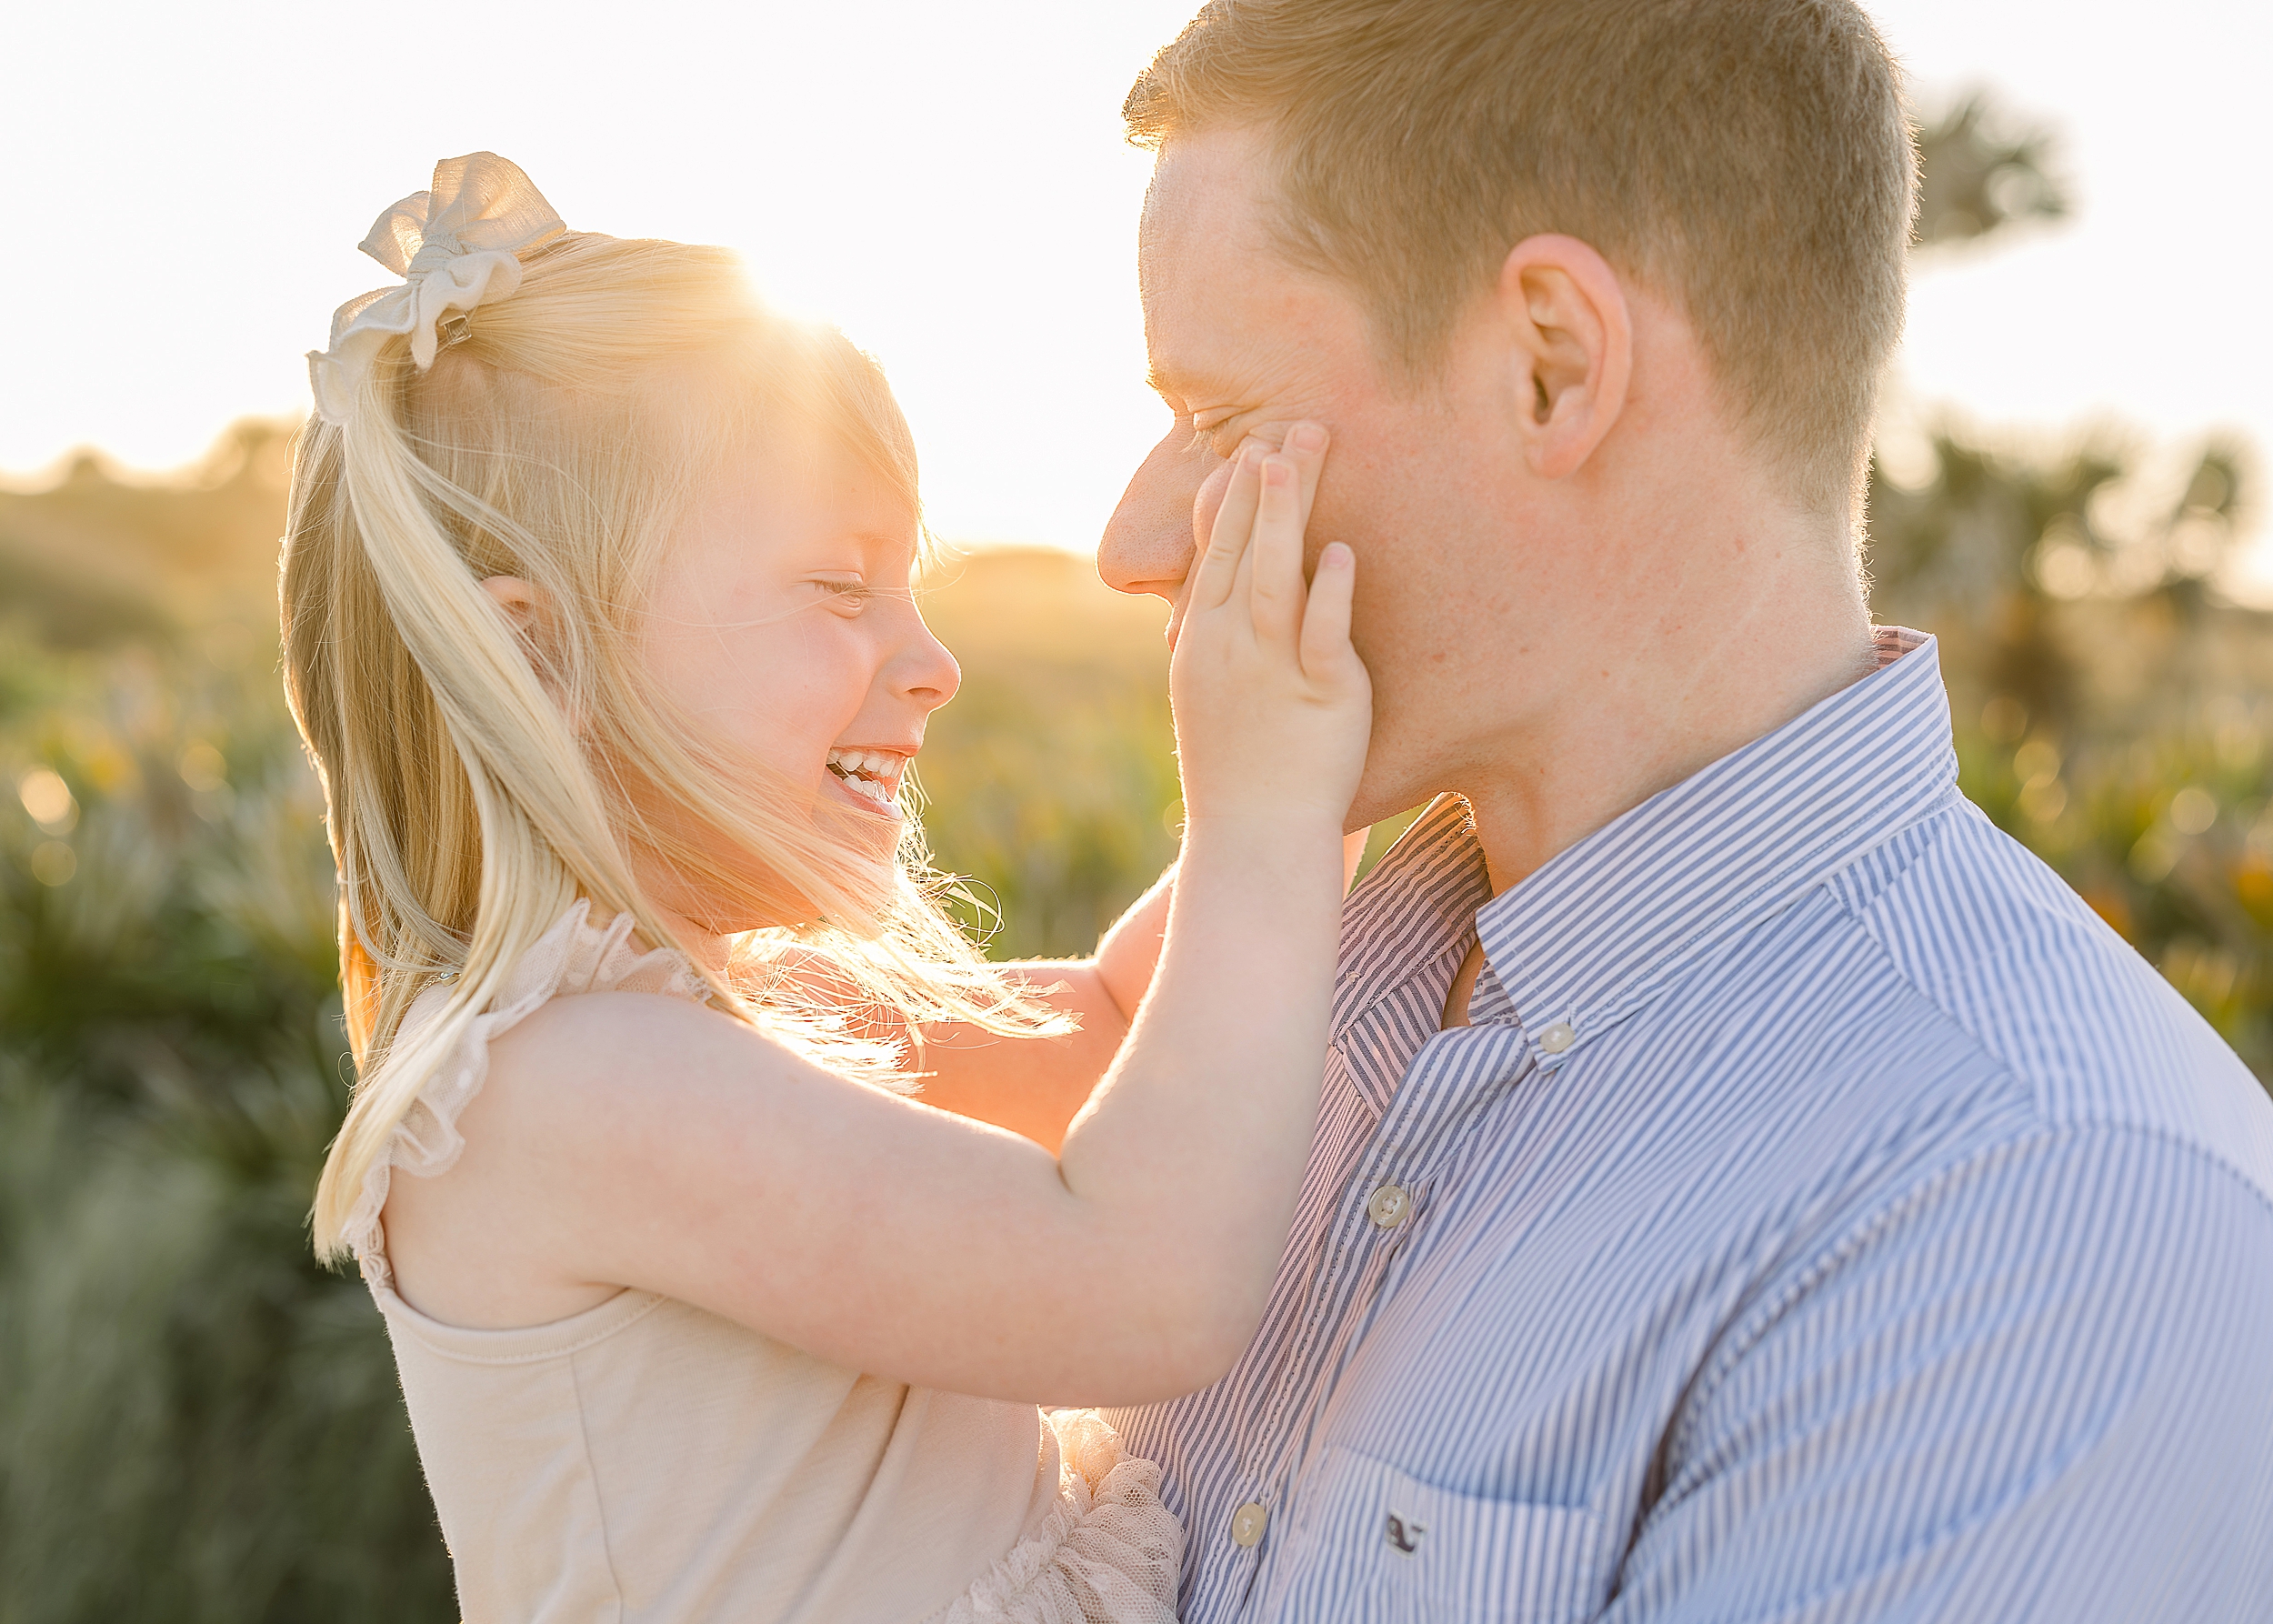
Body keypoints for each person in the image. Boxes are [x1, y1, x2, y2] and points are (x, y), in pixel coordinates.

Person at [1092, 2, 2273, 1619]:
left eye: (1219, 421)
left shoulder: (2039, 1210)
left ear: (1551, 364)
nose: (1133, 538)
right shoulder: (1271, 976)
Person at [283, 153, 1371, 1623]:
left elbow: (1116, 1033)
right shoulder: (562, 1091)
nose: (933, 660)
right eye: (839, 587)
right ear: (542, 661)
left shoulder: (743, 1009)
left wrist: (1329, 788)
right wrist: (1262, 812)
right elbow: (1147, 1282)